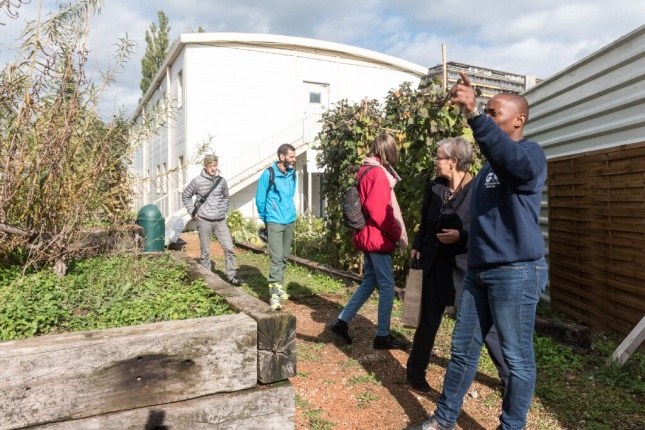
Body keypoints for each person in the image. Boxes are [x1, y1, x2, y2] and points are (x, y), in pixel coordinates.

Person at [419, 72, 548, 430]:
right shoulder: (491, 166)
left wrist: (475, 115)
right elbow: (485, 219)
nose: (487, 117)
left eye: (494, 113)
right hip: (480, 270)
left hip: (516, 271)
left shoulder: (530, 155)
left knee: (516, 358)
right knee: (462, 352)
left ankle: (512, 426)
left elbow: (511, 160)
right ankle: (444, 420)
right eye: (486, 112)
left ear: (518, 120)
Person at [406, 137, 510, 394]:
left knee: (485, 326)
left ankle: (510, 380)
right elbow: (425, 220)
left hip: (466, 266)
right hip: (435, 263)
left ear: (453, 161)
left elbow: (489, 227)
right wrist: (418, 243)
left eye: (438, 157)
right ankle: (415, 372)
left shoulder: (479, 188)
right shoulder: (435, 187)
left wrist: (461, 237)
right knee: (428, 320)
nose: (435, 161)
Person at [328, 132, 409, 350]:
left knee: (370, 280)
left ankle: (342, 321)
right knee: (387, 285)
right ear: (389, 152)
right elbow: (380, 213)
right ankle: (382, 335)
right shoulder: (378, 174)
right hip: (377, 238)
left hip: (365, 235)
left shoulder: (364, 169)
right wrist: (398, 234)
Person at [182, 154, 244, 286]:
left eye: (215, 166)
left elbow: (226, 197)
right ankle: (207, 279)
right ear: (205, 166)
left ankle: (232, 276)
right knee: (205, 252)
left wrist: (223, 210)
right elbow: (186, 196)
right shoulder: (197, 181)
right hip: (204, 220)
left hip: (220, 220)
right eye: (211, 166)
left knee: (229, 248)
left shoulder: (221, 181)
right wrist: (193, 212)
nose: (214, 169)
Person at [255, 143, 297, 311]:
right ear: (282, 157)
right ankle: (274, 294)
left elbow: (290, 195)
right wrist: (267, 219)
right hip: (274, 220)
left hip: (289, 220)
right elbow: (260, 198)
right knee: (276, 257)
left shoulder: (293, 174)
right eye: (291, 157)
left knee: (284, 256)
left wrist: (291, 213)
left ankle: (279, 287)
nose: (294, 159)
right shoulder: (269, 174)